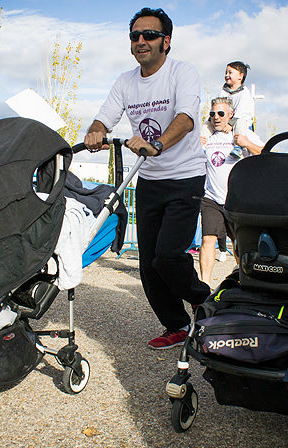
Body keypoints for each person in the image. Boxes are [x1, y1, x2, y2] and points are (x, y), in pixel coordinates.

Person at [83, 7, 210, 349]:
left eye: (150, 35)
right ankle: (177, 325)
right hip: (150, 181)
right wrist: (96, 131)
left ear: (166, 41)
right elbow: (104, 117)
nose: (141, 41)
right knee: (149, 265)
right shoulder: (125, 81)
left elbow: (186, 118)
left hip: (185, 176)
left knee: (168, 256)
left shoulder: (182, 72)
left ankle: (204, 300)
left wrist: (157, 145)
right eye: (135, 35)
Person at [199, 97, 263, 283]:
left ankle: (244, 281)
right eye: (212, 114)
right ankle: (204, 286)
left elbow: (265, 152)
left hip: (236, 200)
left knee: (239, 245)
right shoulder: (207, 136)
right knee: (208, 239)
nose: (216, 117)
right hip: (211, 198)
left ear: (230, 115)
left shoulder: (241, 133)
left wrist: (246, 143)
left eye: (221, 113)